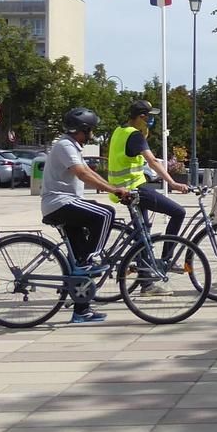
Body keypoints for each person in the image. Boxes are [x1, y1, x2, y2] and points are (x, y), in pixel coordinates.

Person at [40, 107, 135, 324]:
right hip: (59, 204)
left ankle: (81, 311)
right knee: (105, 214)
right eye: (90, 130)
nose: (91, 135)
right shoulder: (64, 145)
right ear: (81, 130)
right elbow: (82, 174)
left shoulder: (71, 146)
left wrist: (114, 188)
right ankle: (90, 261)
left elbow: (88, 172)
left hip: (66, 203)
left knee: (80, 256)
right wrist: (114, 191)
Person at [108, 99, 190, 277]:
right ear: (141, 117)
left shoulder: (119, 131)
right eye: (150, 118)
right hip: (134, 189)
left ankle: (146, 281)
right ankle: (167, 259)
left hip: (123, 190)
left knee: (143, 232)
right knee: (178, 212)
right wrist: (172, 183)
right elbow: (152, 161)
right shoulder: (134, 135)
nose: (151, 121)